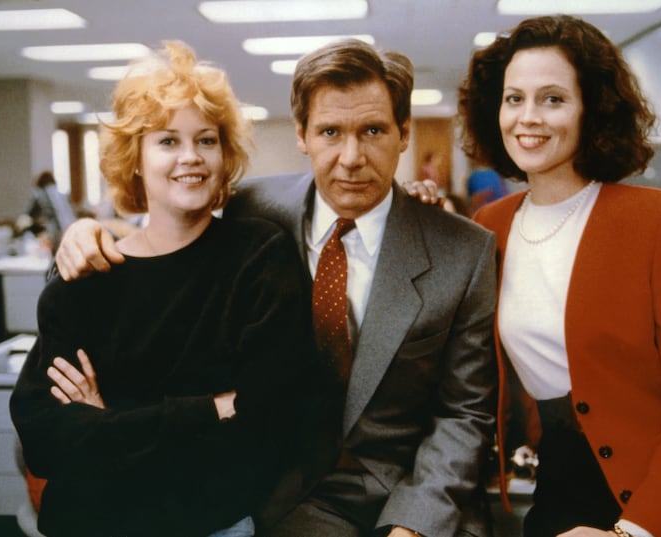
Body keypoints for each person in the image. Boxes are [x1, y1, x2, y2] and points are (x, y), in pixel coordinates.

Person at [53, 38, 498, 537]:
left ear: (404, 133)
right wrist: (84, 235)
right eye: (330, 132)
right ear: (302, 134)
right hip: (286, 489)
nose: (352, 157)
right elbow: (166, 241)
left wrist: (414, 525)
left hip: (414, 489)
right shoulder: (252, 208)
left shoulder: (464, 251)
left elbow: (464, 414)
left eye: (373, 130)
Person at [10, 41, 334, 537]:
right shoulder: (86, 279)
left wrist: (108, 422)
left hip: (208, 524)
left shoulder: (258, 257)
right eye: (167, 141)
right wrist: (213, 408)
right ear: (136, 158)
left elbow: (272, 423)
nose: (191, 157)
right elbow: (44, 441)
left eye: (206, 140)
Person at [457, 14, 661, 537]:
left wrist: (635, 531)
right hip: (565, 482)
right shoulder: (489, 225)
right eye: (514, 98)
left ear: (592, 109)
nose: (528, 117)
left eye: (553, 98)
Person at [20, 170, 76, 247]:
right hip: (71, 226)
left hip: (56, 229)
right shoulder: (60, 192)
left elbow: (29, 213)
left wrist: (23, 222)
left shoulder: (40, 193)